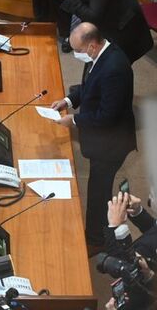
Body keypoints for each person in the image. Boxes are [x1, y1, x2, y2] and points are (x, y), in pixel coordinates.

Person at [51, 22, 136, 256]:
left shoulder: (115, 69)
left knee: (98, 191)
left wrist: (74, 121)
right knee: (97, 186)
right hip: (103, 135)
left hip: (112, 142)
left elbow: (107, 116)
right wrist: (67, 101)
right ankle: (96, 234)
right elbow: (89, 88)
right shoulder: (99, 54)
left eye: (78, 49)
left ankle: (96, 240)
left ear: (91, 45)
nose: (75, 53)